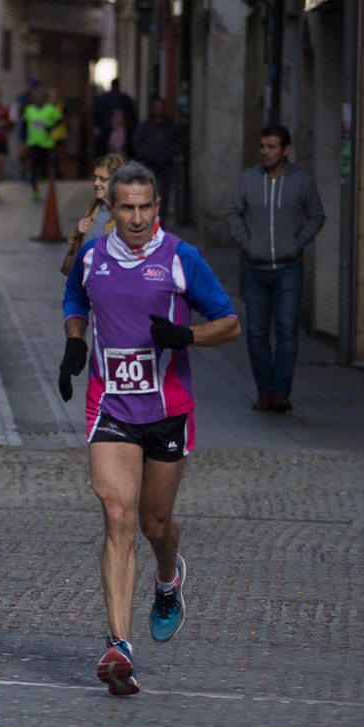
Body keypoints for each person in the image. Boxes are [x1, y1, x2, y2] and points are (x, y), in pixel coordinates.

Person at [59, 161, 240, 695]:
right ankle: (120, 645)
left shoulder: (181, 258)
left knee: (154, 524)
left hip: (167, 411)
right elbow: (75, 297)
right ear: (110, 209)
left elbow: (229, 321)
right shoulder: (93, 256)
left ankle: (167, 578)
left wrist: (187, 337)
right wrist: (75, 341)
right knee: (117, 515)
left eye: (145, 207)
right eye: (126, 208)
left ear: (157, 207)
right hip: (109, 405)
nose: (136, 218)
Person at [224, 124, 325, 414]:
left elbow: (317, 216)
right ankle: (264, 392)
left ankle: (281, 391)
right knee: (256, 332)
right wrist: (247, 243)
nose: (265, 152)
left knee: (286, 330)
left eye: (271, 147)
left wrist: (296, 243)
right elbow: (232, 213)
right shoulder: (248, 179)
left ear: (285, 150)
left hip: (289, 268)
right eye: (262, 146)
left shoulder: (302, 181)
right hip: (254, 269)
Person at [61, 153, 125, 275]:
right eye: (94, 178)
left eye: (102, 179)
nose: (96, 183)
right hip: (86, 279)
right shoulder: (95, 206)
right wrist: (79, 231)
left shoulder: (127, 213)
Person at [133, 98, 184, 222]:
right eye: (156, 107)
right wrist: (145, 154)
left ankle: (161, 222)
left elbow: (180, 143)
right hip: (148, 165)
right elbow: (136, 143)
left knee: (164, 196)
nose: (158, 110)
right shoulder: (145, 126)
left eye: (161, 107)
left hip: (166, 165)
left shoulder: (172, 127)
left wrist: (171, 153)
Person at [22, 88, 62, 201]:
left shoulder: (50, 109)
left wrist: (51, 127)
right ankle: (34, 188)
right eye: (36, 98)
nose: (38, 100)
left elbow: (59, 119)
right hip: (33, 142)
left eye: (40, 98)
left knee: (44, 164)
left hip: (46, 143)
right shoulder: (29, 109)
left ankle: (44, 175)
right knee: (34, 165)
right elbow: (24, 123)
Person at [92, 79, 137, 158]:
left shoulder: (103, 98)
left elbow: (95, 116)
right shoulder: (125, 98)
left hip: (106, 131)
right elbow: (133, 117)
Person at [11, 79, 38, 181]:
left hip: (34, 129)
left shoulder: (39, 98)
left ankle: (29, 172)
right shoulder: (22, 97)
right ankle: (23, 169)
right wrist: (13, 121)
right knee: (22, 153)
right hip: (23, 127)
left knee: (30, 153)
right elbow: (14, 110)